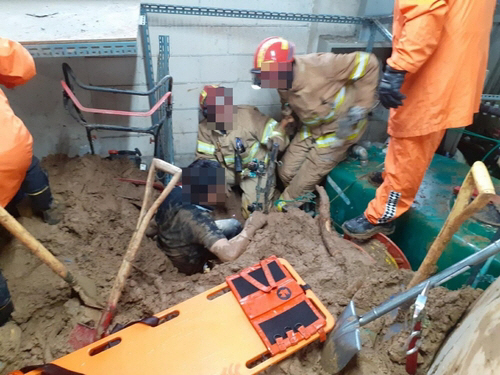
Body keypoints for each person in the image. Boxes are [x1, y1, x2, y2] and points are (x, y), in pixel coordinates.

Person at [342, 0, 496, 239]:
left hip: (432, 76)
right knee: (415, 138)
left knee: (410, 139)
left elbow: (425, 16)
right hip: (451, 68)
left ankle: (383, 215)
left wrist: (398, 67)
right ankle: (391, 180)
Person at [251, 37, 379, 211]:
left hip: (339, 130)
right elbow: (287, 106)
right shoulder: (280, 82)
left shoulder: (321, 65)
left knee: (294, 192)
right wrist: (283, 128)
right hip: (310, 128)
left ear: (284, 68)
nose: (267, 82)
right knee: (285, 172)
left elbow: (368, 62)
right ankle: (308, 199)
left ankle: (285, 210)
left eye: (268, 76)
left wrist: (361, 106)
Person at [150, 159, 267, 275]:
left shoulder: (174, 193)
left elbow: (153, 224)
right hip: (187, 264)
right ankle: (212, 262)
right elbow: (229, 255)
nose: (228, 191)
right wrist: (251, 226)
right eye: (222, 186)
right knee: (235, 230)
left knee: (233, 225)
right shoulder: (196, 218)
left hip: (172, 244)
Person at [195, 85, 288, 217]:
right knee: (197, 181)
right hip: (230, 172)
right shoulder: (204, 129)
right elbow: (204, 159)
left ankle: (272, 195)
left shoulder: (247, 116)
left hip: (254, 170)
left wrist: (276, 141)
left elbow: (275, 131)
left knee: (252, 212)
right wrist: (217, 181)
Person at [0, 37, 61, 225]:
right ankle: (47, 209)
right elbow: (22, 68)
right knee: (26, 169)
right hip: (10, 146)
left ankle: (19, 213)